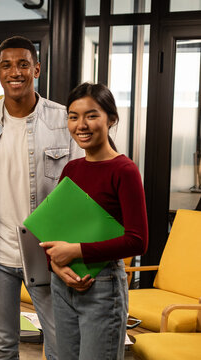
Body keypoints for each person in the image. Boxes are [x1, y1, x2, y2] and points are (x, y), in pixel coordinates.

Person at [0, 35, 83, 360]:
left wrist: (75, 250)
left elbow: (79, 193)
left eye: (23, 64)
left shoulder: (63, 121)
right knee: (2, 347)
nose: (16, 72)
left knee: (62, 347)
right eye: (7, 65)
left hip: (48, 254)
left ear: (36, 68)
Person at [40, 82, 148, 360]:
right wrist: (54, 263)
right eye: (73, 116)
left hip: (102, 286)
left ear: (111, 119)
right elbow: (53, 228)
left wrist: (76, 251)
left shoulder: (124, 170)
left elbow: (138, 240)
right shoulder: (72, 168)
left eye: (92, 115)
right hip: (63, 282)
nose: (81, 124)